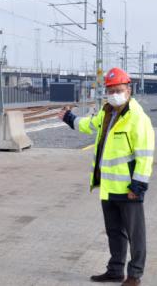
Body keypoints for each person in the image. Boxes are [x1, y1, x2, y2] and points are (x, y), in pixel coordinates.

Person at [58, 67, 153, 286]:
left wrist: (138, 186)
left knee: (135, 235)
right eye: (110, 90)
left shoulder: (137, 118)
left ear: (128, 89)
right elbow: (89, 125)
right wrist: (69, 118)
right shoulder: (107, 112)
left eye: (118, 89)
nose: (113, 94)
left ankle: (135, 275)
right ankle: (115, 270)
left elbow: (145, 156)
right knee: (114, 233)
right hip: (109, 186)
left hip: (129, 189)